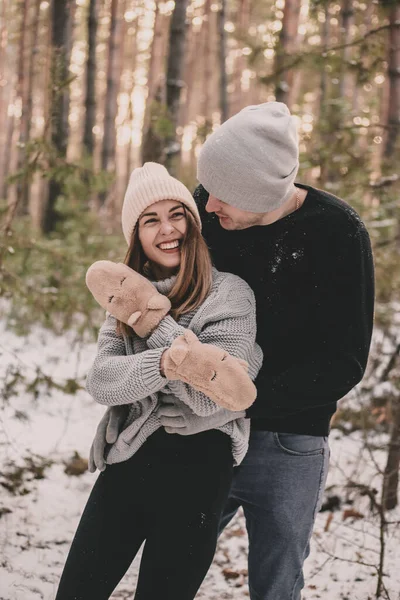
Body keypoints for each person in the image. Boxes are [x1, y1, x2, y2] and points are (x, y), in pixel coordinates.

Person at [91, 103, 375, 600]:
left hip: (289, 439)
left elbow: (343, 362)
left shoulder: (338, 233)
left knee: (276, 579)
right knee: (169, 568)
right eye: (208, 191)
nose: (208, 207)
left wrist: (235, 397)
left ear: (261, 194)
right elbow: (168, 291)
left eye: (223, 197)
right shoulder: (213, 207)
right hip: (198, 429)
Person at [55, 162, 263, 600]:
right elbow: (102, 380)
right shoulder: (123, 297)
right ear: (137, 237)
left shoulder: (231, 294)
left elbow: (213, 395)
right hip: (131, 457)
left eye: (177, 214)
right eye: (151, 220)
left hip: (200, 471)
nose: (167, 229)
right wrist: (166, 366)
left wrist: (150, 319)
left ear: (194, 221)